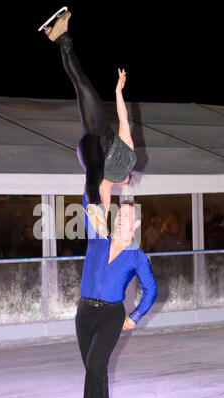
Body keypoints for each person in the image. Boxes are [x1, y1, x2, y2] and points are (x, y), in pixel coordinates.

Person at [41, 9, 137, 236]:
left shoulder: (112, 179)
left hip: (92, 144)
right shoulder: (129, 159)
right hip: (97, 130)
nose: (124, 182)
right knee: (81, 84)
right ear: (127, 179)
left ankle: (95, 213)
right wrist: (118, 92)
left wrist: (103, 222)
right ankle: (62, 38)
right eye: (126, 181)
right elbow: (123, 120)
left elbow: (124, 120)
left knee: (95, 172)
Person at [74, 194, 157, 398]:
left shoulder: (137, 256)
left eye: (127, 217)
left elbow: (151, 290)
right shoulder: (98, 238)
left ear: (136, 225)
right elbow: (88, 202)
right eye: (119, 214)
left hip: (111, 315)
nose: (121, 220)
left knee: (97, 364)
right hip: (84, 313)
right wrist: (95, 176)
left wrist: (134, 317)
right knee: (92, 367)